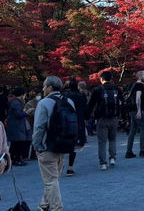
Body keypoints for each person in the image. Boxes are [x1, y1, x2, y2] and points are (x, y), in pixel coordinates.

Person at [32, 75, 76, 211]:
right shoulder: (69, 101)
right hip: (64, 145)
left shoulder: (44, 103)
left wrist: (36, 146)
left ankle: (57, 208)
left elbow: (39, 127)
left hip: (47, 146)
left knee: (50, 180)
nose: (43, 88)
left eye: (45, 86)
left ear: (50, 87)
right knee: (53, 178)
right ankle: (44, 204)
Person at [87, 70, 124, 170]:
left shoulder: (97, 89)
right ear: (111, 79)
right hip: (114, 117)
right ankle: (112, 158)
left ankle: (103, 163)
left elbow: (91, 104)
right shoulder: (117, 89)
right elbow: (122, 102)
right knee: (112, 139)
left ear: (101, 79)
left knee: (102, 141)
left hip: (102, 118)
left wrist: (87, 117)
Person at [125, 71, 144, 158]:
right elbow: (138, 98)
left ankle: (129, 151)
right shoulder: (139, 85)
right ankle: (143, 149)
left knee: (133, 130)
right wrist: (139, 110)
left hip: (132, 110)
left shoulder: (135, 85)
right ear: (140, 76)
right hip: (138, 110)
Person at [62, 78, 87, 176]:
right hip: (77, 122)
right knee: (73, 146)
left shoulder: (61, 95)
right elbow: (86, 110)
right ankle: (70, 167)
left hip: (63, 122)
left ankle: (60, 166)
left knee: (62, 144)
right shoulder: (80, 96)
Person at [7, 86, 29, 166]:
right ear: (22, 94)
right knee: (18, 144)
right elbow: (18, 114)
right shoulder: (16, 102)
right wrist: (26, 113)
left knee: (14, 144)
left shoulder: (14, 102)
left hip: (14, 126)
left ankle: (13, 159)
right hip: (17, 126)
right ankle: (17, 159)